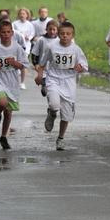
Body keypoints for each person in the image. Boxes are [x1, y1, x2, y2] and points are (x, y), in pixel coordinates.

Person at [35, 21, 88, 151]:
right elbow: (42, 64)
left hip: (69, 83)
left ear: (72, 35)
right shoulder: (51, 47)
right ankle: (52, 113)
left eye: (68, 34)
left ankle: (60, 138)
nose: (65, 36)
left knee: (66, 116)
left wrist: (80, 67)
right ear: (58, 34)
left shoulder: (76, 49)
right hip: (53, 80)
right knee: (54, 104)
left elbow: (84, 66)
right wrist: (39, 76)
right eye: (62, 33)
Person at [0, 20, 30, 150]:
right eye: (3, 32)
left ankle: (4, 136)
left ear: (12, 33)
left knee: (9, 113)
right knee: (3, 103)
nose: (6, 34)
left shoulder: (17, 48)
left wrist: (15, 64)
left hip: (11, 82)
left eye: (8, 32)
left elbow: (24, 64)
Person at [31, 19, 59, 97]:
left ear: (57, 30)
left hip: (55, 68)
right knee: (45, 88)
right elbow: (35, 53)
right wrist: (35, 64)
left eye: (54, 29)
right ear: (46, 29)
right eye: (50, 29)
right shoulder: (41, 40)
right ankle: (44, 85)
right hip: (43, 67)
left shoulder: (59, 40)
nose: (52, 31)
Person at [12, 8, 35, 90]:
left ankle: (22, 82)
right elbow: (12, 33)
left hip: (26, 45)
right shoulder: (14, 24)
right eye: (21, 14)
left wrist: (29, 37)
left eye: (24, 14)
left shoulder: (30, 24)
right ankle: (14, 81)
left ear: (27, 15)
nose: (22, 15)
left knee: (23, 64)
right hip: (16, 45)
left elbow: (32, 33)